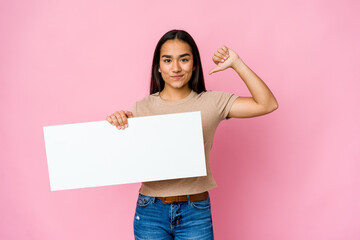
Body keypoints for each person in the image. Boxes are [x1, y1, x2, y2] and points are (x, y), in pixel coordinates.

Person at [106, 29, 278, 240]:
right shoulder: (141, 108)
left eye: (184, 59)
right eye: (167, 60)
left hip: (194, 210)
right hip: (150, 209)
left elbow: (267, 103)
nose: (176, 68)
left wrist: (237, 63)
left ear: (194, 64)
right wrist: (117, 122)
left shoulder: (211, 102)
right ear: (158, 67)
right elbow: (126, 156)